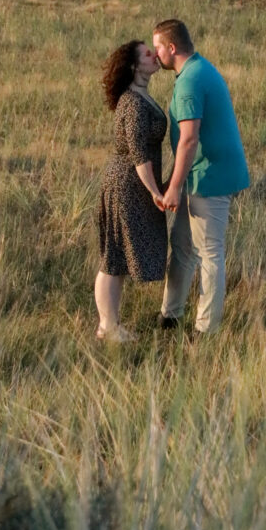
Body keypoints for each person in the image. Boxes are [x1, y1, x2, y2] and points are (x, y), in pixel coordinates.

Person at [152, 19, 250, 335]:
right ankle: (170, 316)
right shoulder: (196, 70)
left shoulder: (191, 80)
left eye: (157, 48)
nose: (155, 55)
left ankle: (206, 331)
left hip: (211, 177)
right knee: (182, 245)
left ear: (171, 48)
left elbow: (189, 139)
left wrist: (174, 187)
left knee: (209, 252)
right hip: (197, 174)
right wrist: (175, 181)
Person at [95, 40, 168, 342]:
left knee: (119, 259)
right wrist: (155, 192)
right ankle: (107, 327)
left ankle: (111, 325)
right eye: (148, 54)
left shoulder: (140, 96)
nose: (155, 55)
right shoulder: (134, 103)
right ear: (135, 66)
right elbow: (139, 154)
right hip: (126, 186)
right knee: (113, 259)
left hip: (132, 185)